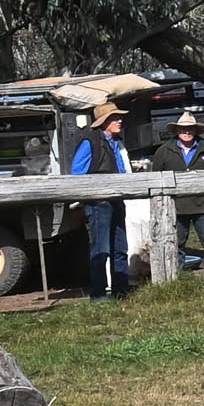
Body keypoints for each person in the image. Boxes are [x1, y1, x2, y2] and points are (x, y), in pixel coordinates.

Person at [67, 98, 134, 299]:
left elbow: (122, 171)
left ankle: (121, 291)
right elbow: (77, 173)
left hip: (116, 201)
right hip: (98, 204)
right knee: (101, 249)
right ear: (104, 121)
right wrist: (92, 197)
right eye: (115, 118)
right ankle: (98, 294)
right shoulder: (90, 141)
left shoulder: (117, 142)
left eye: (119, 118)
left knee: (120, 248)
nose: (120, 121)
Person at [161, 110, 204, 282]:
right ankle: (177, 282)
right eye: (183, 129)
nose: (186, 132)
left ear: (196, 130)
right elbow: (156, 177)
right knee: (175, 244)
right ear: (177, 130)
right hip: (176, 205)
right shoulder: (164, 152)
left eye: (190, 128)